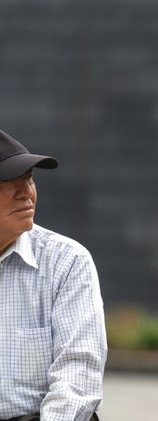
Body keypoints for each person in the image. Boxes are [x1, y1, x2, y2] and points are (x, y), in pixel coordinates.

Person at [0, 129, 106, 421]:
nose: (26, 191)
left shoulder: (66, 261)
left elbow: (78, 373)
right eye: (8, 180)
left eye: (29, 177)